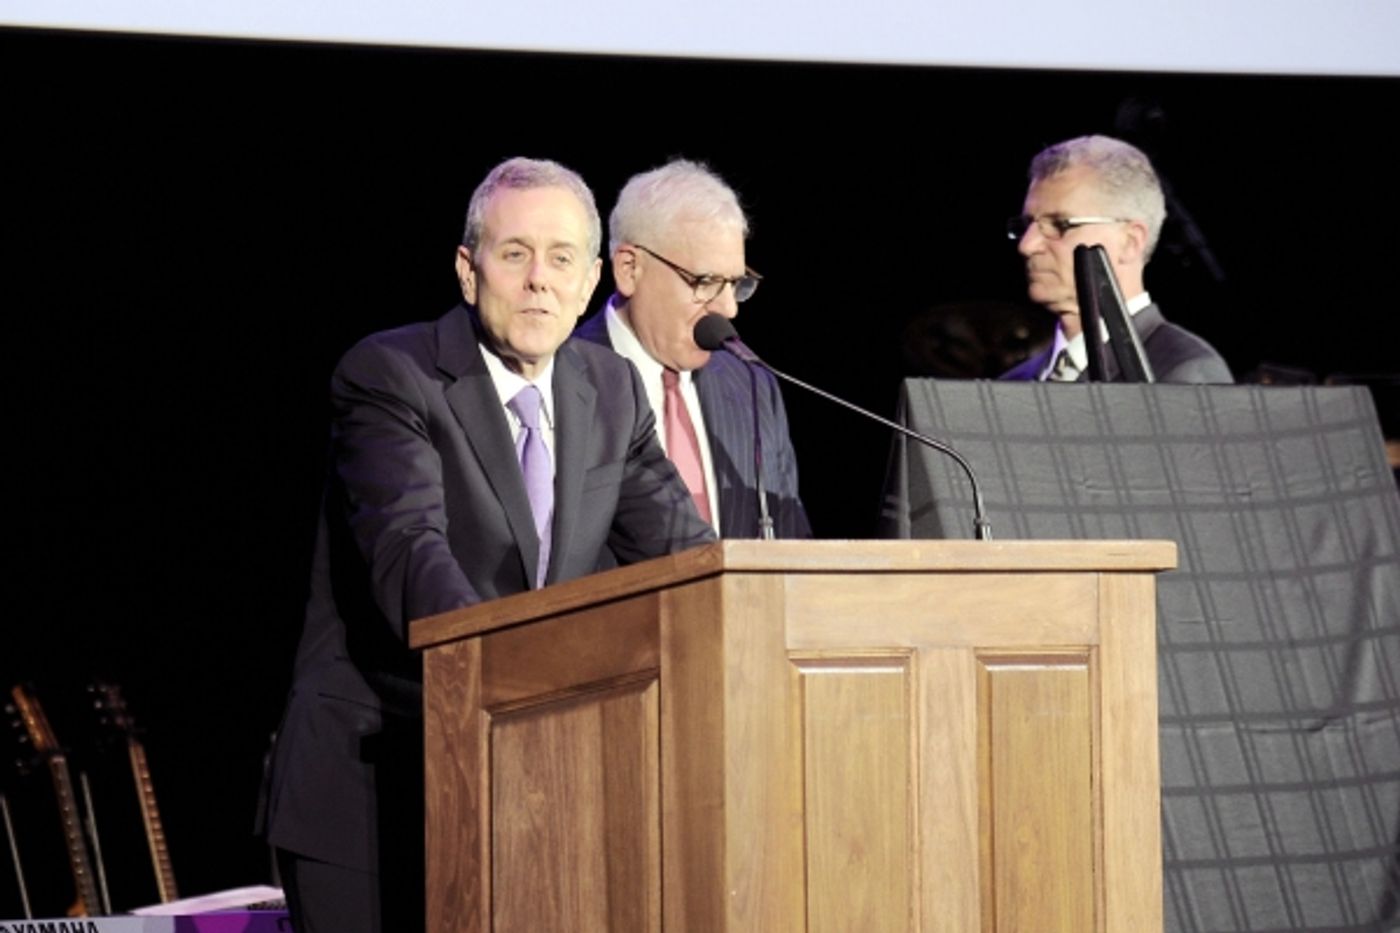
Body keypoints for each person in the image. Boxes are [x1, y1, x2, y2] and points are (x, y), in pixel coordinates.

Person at [262, 157, 716, 933]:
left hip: (530, 792)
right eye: (515, 254)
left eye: (562, 258)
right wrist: (529, 692)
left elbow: (687, 563)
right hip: (375, 789)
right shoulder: (390, 374)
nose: (540, 279)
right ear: (468, 272)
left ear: (589, 281)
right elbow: (411, 557)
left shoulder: (609, 391)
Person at [573, 159, 811, 539]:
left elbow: (792, 546)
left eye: (735, 283)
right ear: (630, 269)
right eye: (705, 281)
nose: (729, 308)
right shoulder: (560, 377)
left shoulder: (752, 385)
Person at [1000, 134, 1233, 383]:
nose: (1027, 245)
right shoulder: (1012, 385)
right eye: (1027, 225)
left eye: (1060, 224)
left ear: (1130, 241)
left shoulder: (1181, 374)